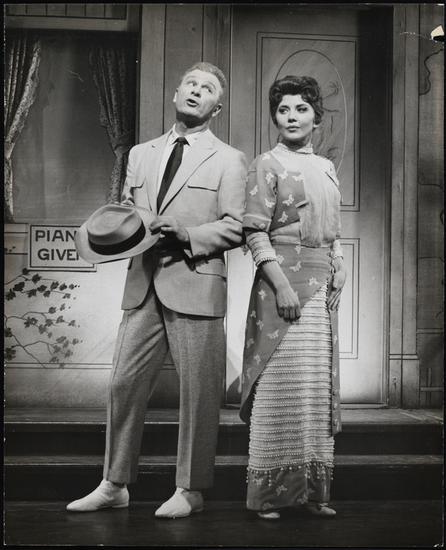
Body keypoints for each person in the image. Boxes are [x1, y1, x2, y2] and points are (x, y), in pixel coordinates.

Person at [67, 62, 247, 517]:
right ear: (175, 93)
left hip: (196, 283)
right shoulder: (140, 153)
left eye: (207, 89)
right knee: (123, 384)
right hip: (143, 283)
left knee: (199, 393)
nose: (196, 91)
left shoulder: (229, 159)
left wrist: (187, 233)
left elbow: (236, 227)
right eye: (191, 84)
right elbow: (129, 212)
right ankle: (115, 484)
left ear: (217, 108)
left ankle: (191, 490)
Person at [239, 75, 346, 520]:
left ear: (316, 118)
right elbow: (254, 231)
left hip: (322, 286)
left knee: (313, 389)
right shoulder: (266, 163)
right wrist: (281, 285)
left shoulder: (326, 166)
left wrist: (340, 261)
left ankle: (312, 493)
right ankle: (269, 496)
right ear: (275, 117)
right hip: (280, 282)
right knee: (280, 388)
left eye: (301, 109)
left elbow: (333, 229)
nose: (292, 117)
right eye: (283, 109)